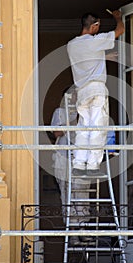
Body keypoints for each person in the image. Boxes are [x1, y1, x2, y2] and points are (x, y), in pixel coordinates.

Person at [67, 10, 124, 177]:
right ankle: (92, 165)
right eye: (98, 26)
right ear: (94, 26)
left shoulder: (72, 45)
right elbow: (120, 30)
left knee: (83, 126)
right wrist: (118, 18)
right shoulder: (96, 41)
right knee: (98, 126)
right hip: (97, 89)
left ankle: (78, 162)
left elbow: (87, 57)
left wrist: (104, 57)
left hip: (82, 91)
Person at [51, 87, 92, 245]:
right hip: (64, 157)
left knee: (82, 192)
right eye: (74, 95)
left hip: (81, 156)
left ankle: (83, 229)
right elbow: (57, 132)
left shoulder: (86, 111)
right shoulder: (60, 112)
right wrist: (71, 119)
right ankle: (73, 233)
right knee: (67, 193)